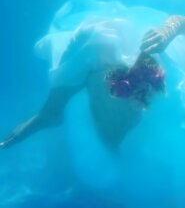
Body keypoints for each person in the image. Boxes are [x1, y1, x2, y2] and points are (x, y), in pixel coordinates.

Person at [0, 20, 166, 151]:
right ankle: (51, 112)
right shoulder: (95, 52)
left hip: (117, 50)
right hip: (93, 45)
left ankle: (52, 112)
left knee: (124, 111)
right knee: (95, 53)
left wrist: (169, 32)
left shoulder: (148, 67)